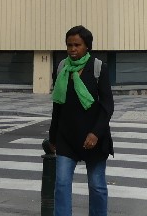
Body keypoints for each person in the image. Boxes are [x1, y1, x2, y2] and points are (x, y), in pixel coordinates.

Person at [48, 25, 114, 216]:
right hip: (66, 137)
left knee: (97, 186)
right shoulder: (62, 68)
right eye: (69, 45)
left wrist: (95, 133)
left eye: (77, 45)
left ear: (87, 46)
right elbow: (57, 105)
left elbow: (107, 106)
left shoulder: (98, 68)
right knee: (61, 184)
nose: (72, 49)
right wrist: (53, 137)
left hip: (94, 138)